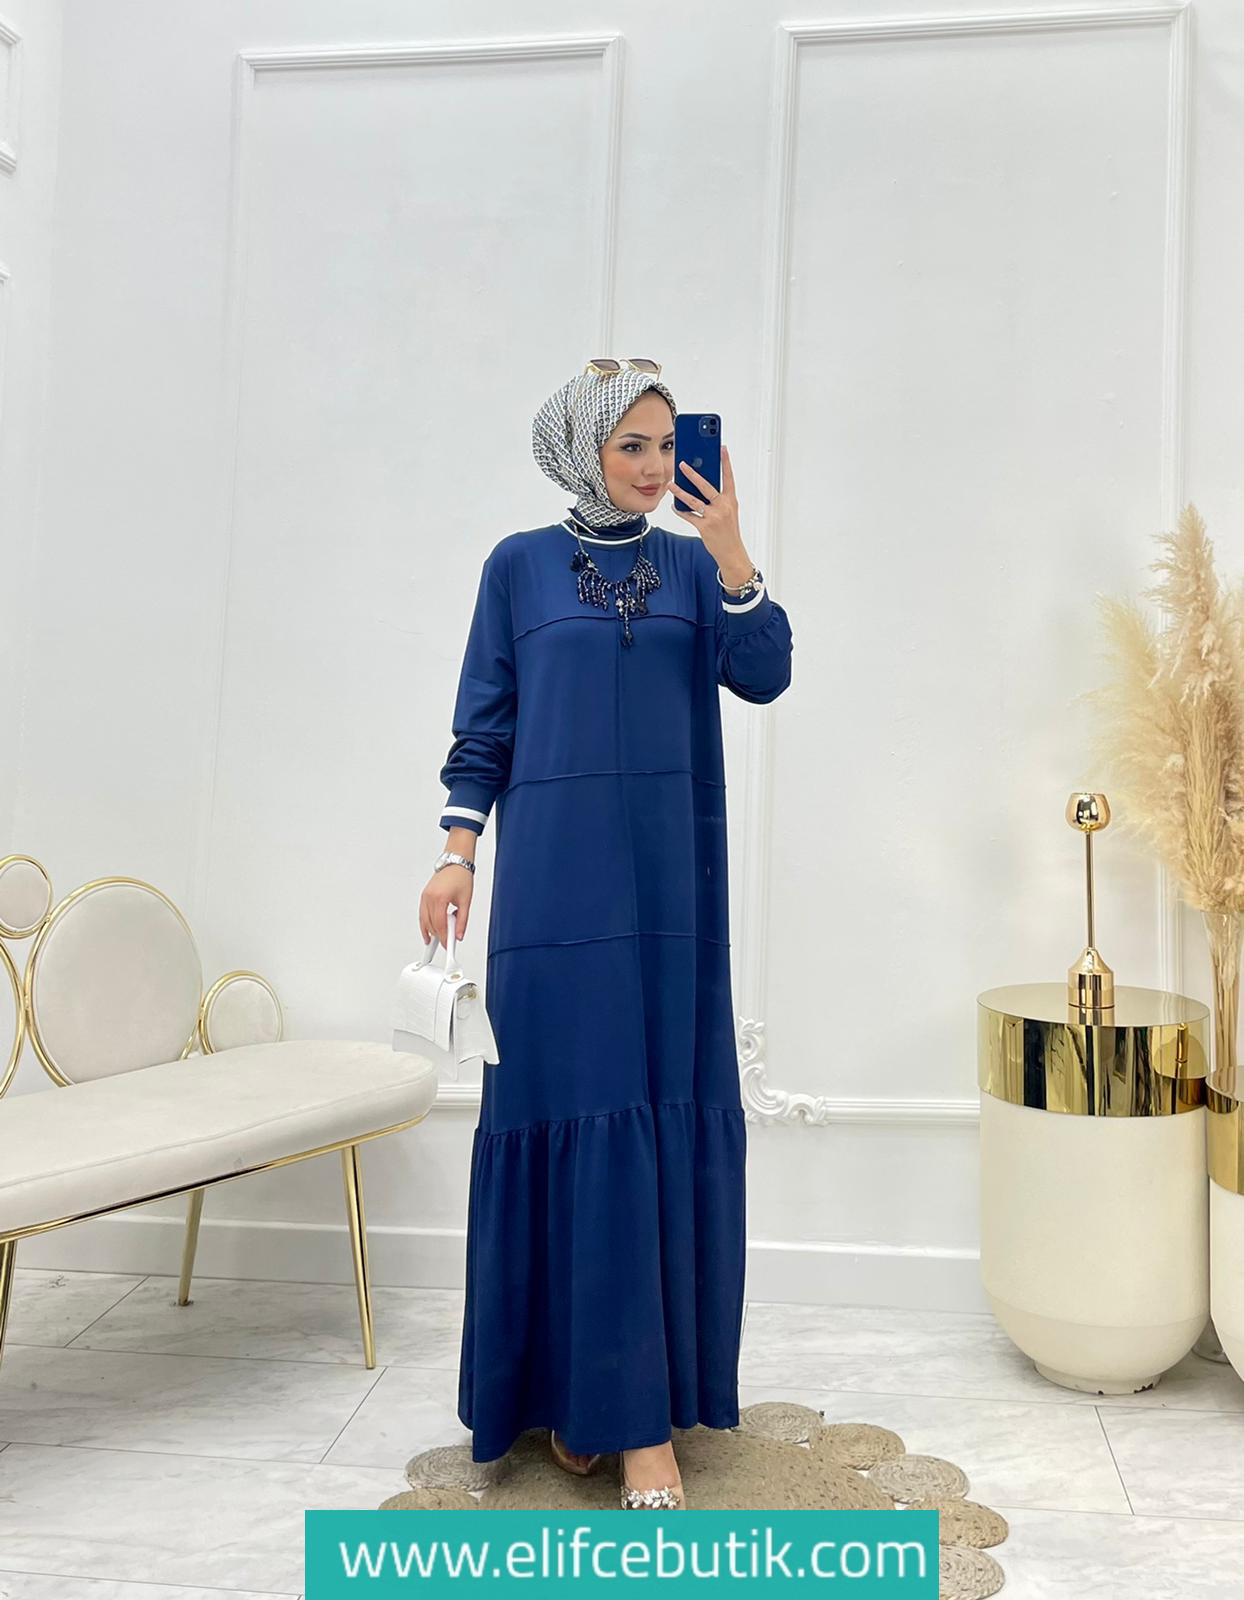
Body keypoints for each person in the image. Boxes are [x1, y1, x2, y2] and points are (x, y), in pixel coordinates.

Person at [419, 360, 793, 1509]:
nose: (650, 465)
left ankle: (640, 1425)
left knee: (648, 1112)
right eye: (630, 445)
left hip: (670, 899)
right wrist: (455, 851)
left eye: (664, 445)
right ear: (580, 450)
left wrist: (729, 548)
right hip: (553, 898)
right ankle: (575, 1397)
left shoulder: (690, 567)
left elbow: (765, 674)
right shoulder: (517, 567)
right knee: (568, 1108)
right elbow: (484, 723)